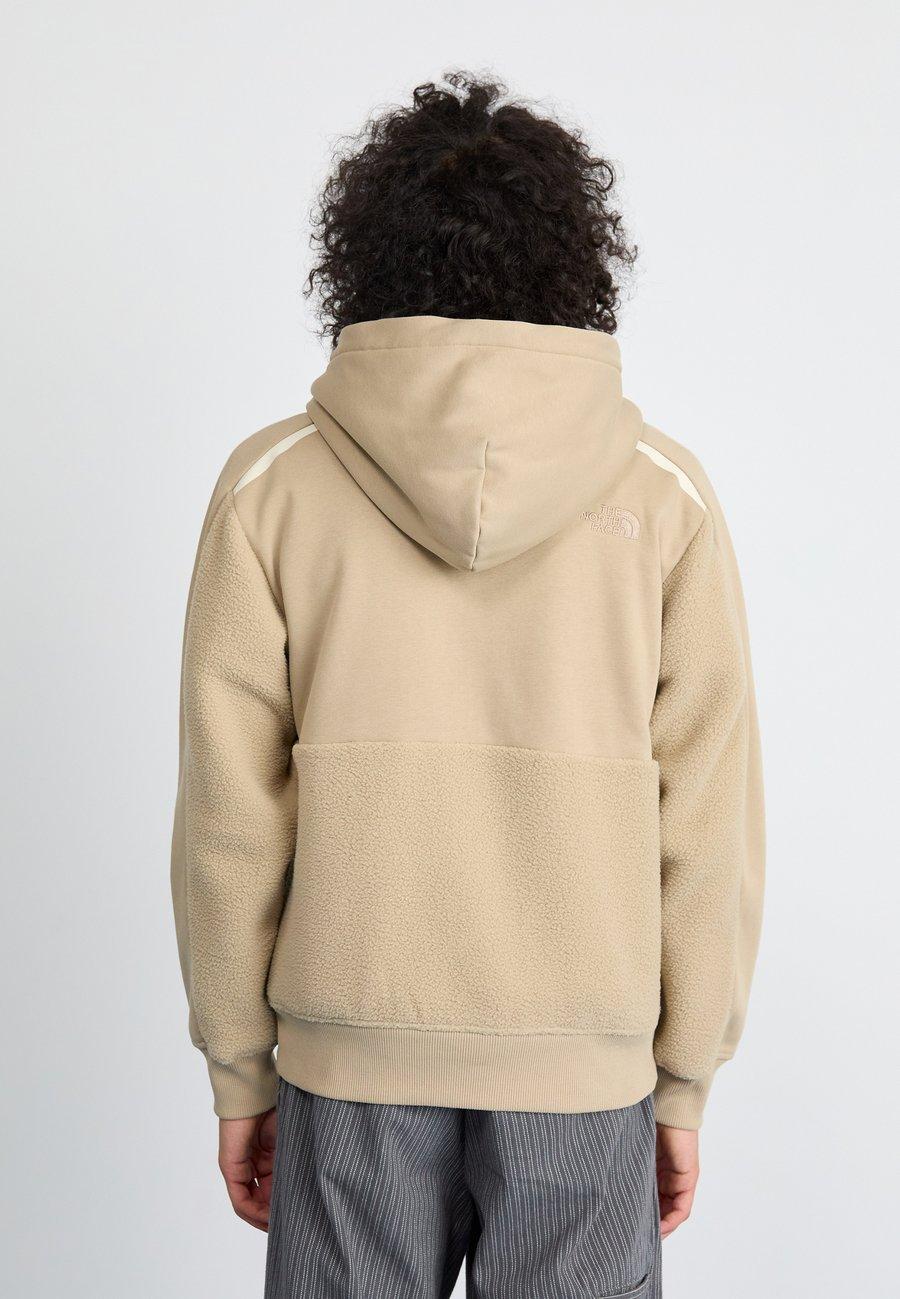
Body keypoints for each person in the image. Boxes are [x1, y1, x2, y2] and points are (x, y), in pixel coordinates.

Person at [172, 72, 764, 1298]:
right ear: (572, 260)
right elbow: (709, 824)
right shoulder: (664, 497)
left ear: (365, 258)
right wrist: (682, 1082)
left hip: (349, 1064)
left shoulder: (273, 487)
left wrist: (239, 1070)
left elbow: (231, 820)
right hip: (583, 1068)